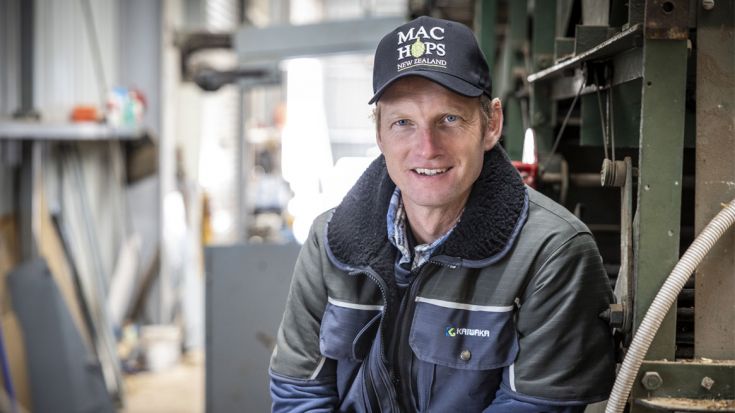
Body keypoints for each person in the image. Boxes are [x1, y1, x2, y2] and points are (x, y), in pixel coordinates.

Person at [269, 16, 615, 412]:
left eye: (449, 119)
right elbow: (299, 393)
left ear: (491, 125)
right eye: (403, 123)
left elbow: (534, 406)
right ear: (379, 135)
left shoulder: (551, 253)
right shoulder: (329, 241)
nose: (427, 147)